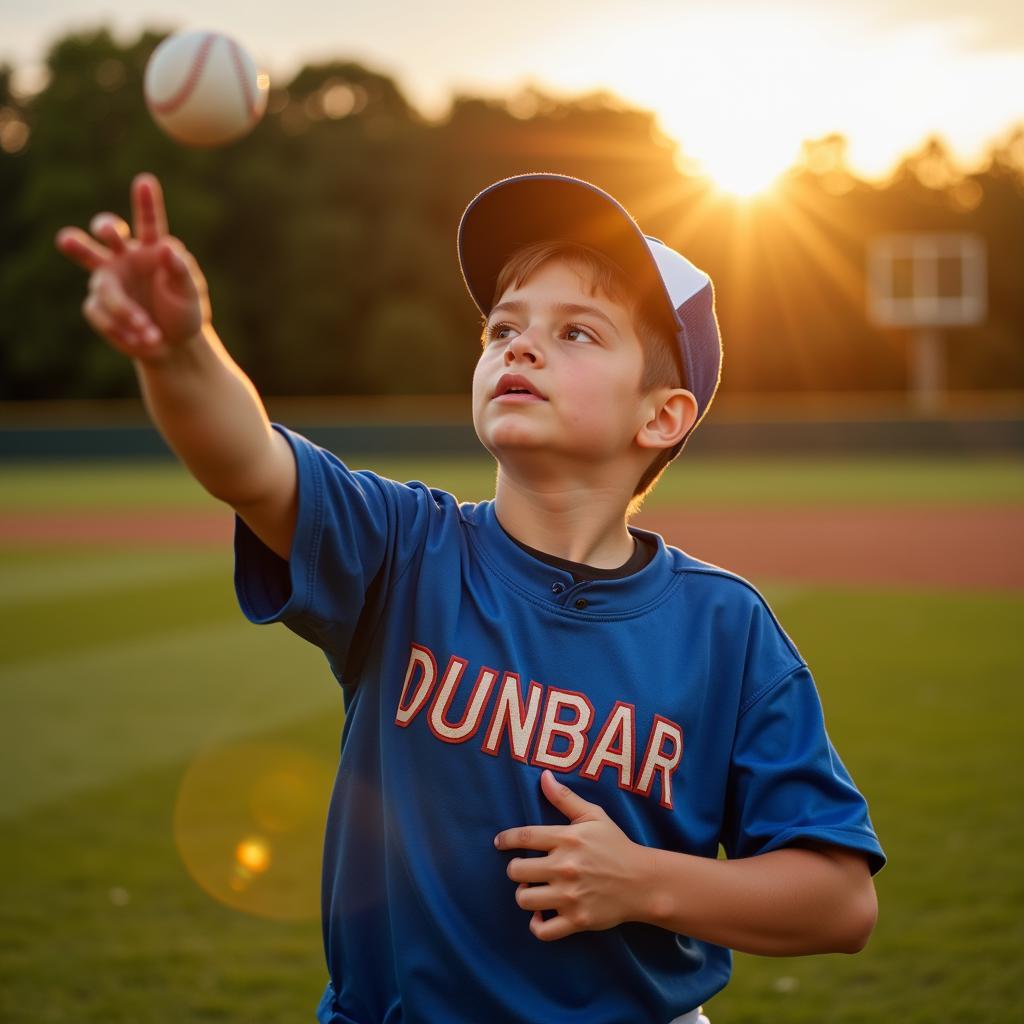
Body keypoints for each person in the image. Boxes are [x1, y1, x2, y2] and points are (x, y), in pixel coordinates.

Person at [56, 171, 885, 1024]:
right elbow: (248, 462)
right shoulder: (405, 547)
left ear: (663, 415)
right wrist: (179, 349)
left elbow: (838, 902)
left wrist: (642, 882)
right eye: (503, 326)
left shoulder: (726, 630)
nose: (520, 347)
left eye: (576, 332)